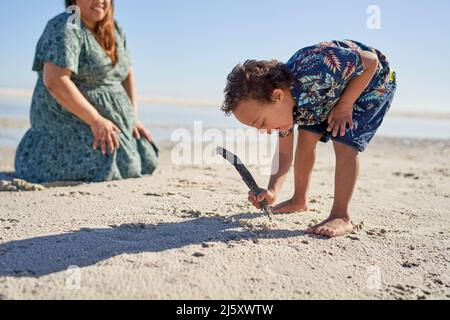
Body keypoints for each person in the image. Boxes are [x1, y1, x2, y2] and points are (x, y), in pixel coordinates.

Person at [221, 40, 397, 237]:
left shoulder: (319, 68)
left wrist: (345, 105)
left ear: (277, 96)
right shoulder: (287, 108)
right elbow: (284, 152)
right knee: (306, 137)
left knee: (343, 142)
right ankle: (299, 199)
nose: (265, 131)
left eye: (261, 123)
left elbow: (370, 61)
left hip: (372, 82)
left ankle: (341, 215)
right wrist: (272, 191)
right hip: (321, 98)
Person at [15, 0, 158, 183]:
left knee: (146, 156)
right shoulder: (68, 24)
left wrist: (133, 118)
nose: (100, 1)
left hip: (111, 124)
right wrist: (95, 120)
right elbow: (55, 81)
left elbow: (127, 74)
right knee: (117, 161)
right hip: (67, 125)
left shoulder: (114, 28)